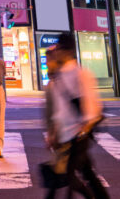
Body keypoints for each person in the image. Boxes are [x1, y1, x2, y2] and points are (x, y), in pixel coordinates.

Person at [43, 33, 107, 199]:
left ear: (68, 51)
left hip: (78, 136)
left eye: (59, 49)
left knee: (67, 176)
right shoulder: (58, 76)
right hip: (65, 135)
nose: (56, 52)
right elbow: (59, 110)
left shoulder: (80, 74)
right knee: (87, 174)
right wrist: (53, 133)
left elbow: (92, 107)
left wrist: (83, 132)